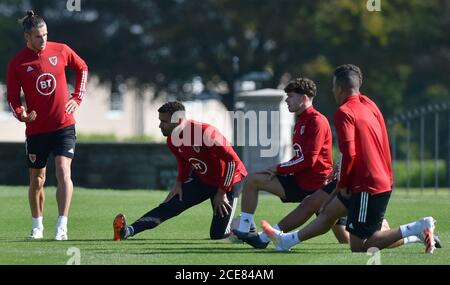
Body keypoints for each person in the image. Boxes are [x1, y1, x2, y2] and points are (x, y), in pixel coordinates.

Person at [262, 64, 439, 253]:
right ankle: (286, 241)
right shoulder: (370, 104)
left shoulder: (343, 112)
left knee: (360, 244)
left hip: (366, 184)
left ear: (339, 88)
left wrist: (341, 184)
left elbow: (349, 153)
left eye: (333, 87)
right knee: (327, 213)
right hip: (366, 177)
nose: (332, 91)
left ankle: (416, 228)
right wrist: (342, 171)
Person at [232, 77, 349, 249]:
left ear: (304, 98)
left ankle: (391, 234)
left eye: (291, 96)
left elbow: (309, 159)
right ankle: (245, 230)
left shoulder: (317, 120)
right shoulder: (300, 120)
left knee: (346, 239)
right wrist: (280, 170)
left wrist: (278, 168)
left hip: (318, 186)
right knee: (252, 179)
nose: (286, 99)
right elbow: (299, 157)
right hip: (299, 182)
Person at [6, 11, 88, 240]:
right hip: (36, 131)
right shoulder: (17, 63)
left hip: (64, 126)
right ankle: (37, 226)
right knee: (37, 179)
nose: (43, 40)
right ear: (27, 37)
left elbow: (82, 67)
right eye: (38, 37)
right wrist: (22, 115)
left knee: (63, 171)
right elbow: (12, 98)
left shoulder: (61, 49)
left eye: (45, 35)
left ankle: (62, 226)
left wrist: (77, 98)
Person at [113, 101, 247, 240]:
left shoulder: (206, 132)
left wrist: (222, 191)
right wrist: (178, 184)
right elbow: (184, 162)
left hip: (228, 180)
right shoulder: (172, 140)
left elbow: (233, 161)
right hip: (202, 179)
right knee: (169, 206)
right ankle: (128, 231)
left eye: (164, 121)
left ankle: (246, 227)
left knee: (218, 235)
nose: (160, 125)